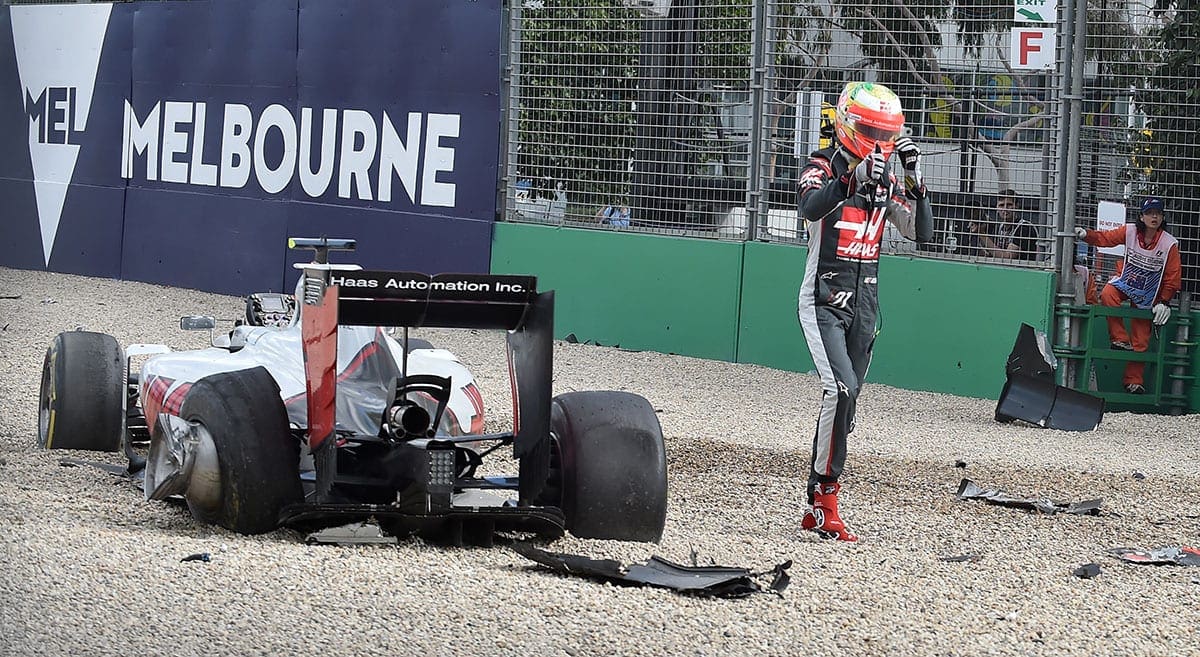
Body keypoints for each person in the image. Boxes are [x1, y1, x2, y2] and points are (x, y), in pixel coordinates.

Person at [795, 81, 933, 541]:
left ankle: (815, 500)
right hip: (824, 298)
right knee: (840, 390)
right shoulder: (820, 166)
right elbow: (810, 207)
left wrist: (915, 180)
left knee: (848, 405)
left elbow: (921, 233)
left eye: (885, 133)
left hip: (866, 306)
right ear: (847, 124)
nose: (877, 141)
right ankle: (825, 501)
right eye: (870, 131)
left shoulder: (889, 180)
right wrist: (849, 180)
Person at [1074, 197, 1182, 394]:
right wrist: (1086, 235)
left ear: (1162, 217)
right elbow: (1106, 238)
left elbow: (1172, 276)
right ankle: (1119, 339)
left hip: (1149, 294)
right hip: (1126, 283)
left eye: (1158, 213)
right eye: (1149, 213)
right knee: (1108, 293)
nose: (1154, 217)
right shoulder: (1130, 231)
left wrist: (1164, 301)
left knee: (1141, 339)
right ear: (1141, 216)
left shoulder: (1169, 244)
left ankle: (1133, 381)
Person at [967, 189, 1038, 260]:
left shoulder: (1024, 227)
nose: (1005, 209)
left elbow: (1007, 257)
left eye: (1009, 205)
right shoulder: (1001, 227)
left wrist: (982, 234)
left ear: (1017, 206)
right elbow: (994, 254)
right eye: (1001, 205)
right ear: (997, 208)